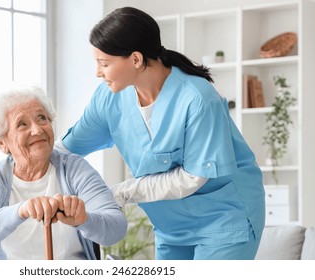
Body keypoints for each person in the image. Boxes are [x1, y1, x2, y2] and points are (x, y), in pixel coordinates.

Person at [56, 7, 265, 260]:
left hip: (224, 220)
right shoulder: (108, 98)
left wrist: (118, 193)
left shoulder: (197, 98)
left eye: (104, 63)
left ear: (135, 59)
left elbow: (192, 178)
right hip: (170, 226)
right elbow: (66, 149)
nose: (97, 72)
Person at [0, 82, 127, 260]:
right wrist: (21, 210)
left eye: (42, 118)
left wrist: (84, 219)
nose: (37, 129)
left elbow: (116, 229)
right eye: (22, 124)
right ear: (1, 142)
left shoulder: (75, 169)